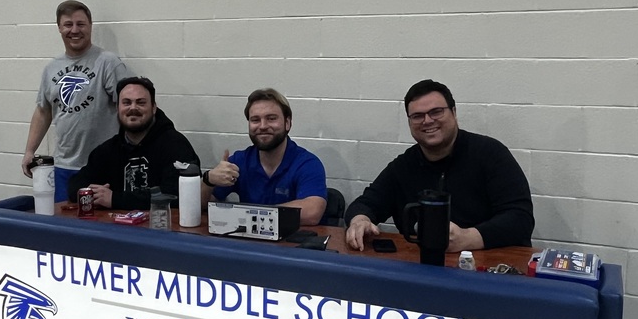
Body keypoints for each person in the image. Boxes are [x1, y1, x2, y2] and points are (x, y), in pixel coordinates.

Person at [345, 79, 534, 252]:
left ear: (454, 112)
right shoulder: (403, 166)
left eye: (436, 112)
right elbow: (366, 203)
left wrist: (468, 238)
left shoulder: (491, 153)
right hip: (422, 270)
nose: (427, 121)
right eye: (417, 116)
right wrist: (360, 220)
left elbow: (520, 219)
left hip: (488, 270)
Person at [22, 0, 130, 201]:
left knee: (98, 227)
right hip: (63, 166)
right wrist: (30, 151)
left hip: (102, 166)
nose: (74, 30)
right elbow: (43, 111)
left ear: (90, 26)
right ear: (59, 28)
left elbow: (127, 109)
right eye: (68, 25)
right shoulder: (51, 68)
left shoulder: (108, 63)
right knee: (64, 224)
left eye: (80, 24)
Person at [67, 77, 200, 210]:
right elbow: (75, 186)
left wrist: (115, 199)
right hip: (114, 228)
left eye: (141, 103)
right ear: (117, 108)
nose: (133, 108)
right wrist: (92, 193)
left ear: (154, 108)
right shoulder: (107, 150)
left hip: (162, 226)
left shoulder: (175, 145)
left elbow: (177, 195)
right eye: (126, 102)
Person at [201, 89, 327, 226]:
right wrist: (208, 180)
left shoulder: (307, 163)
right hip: (247, 242)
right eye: (255, 120)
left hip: (292, 244)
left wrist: (252, 214)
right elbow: (199, 206)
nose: (262, 126)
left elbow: (312, 213)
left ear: (287, 123)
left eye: (271, 119)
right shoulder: (239, 161)